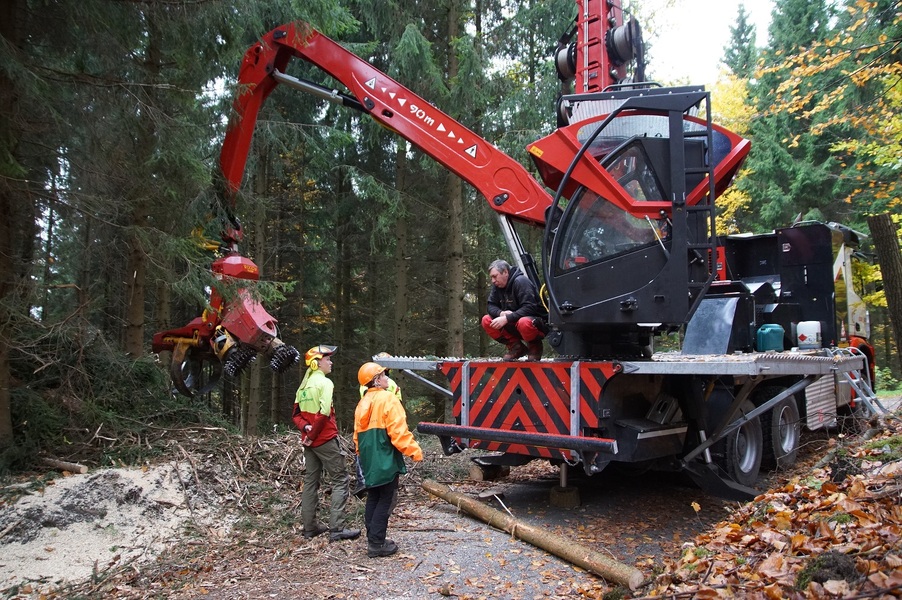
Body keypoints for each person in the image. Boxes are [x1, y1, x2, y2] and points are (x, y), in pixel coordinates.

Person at [293, 345, 361, 542]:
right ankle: (337, 528)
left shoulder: (303, 385)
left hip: (309, 441)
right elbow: (323, 414)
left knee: (310, 482)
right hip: (323, 439)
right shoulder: (325, 383)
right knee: (340, 480)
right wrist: (313, 434)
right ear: (316, 362)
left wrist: (306, 430)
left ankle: (309, 528)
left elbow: (296, 415)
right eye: (327, 359)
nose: (330, 362)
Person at [354, 362, 423, 558]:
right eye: (384, 375)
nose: (387, 378)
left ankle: (374, 538)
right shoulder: (388, 399)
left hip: (368, 457)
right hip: (384, 454)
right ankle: (376, 544)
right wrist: (415, 451)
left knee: (374, 496)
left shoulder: (362, 403)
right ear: (376, 380)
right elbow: (398, 432)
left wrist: (361, 455)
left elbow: (357, 435)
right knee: (386, 497)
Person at [480, 259, 548, 360]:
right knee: (486, 320)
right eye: (491, 277)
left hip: (536, 323)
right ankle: (516, 347)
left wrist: (507, 318)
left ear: (505, 272)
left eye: (495, 276)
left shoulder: (521, 282)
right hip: (514, 323)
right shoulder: (497, 285)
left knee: (524, 322)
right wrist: (501, 313)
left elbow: (530, 308)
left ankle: (535, 346)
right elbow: (490, 306)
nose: (493, 281)